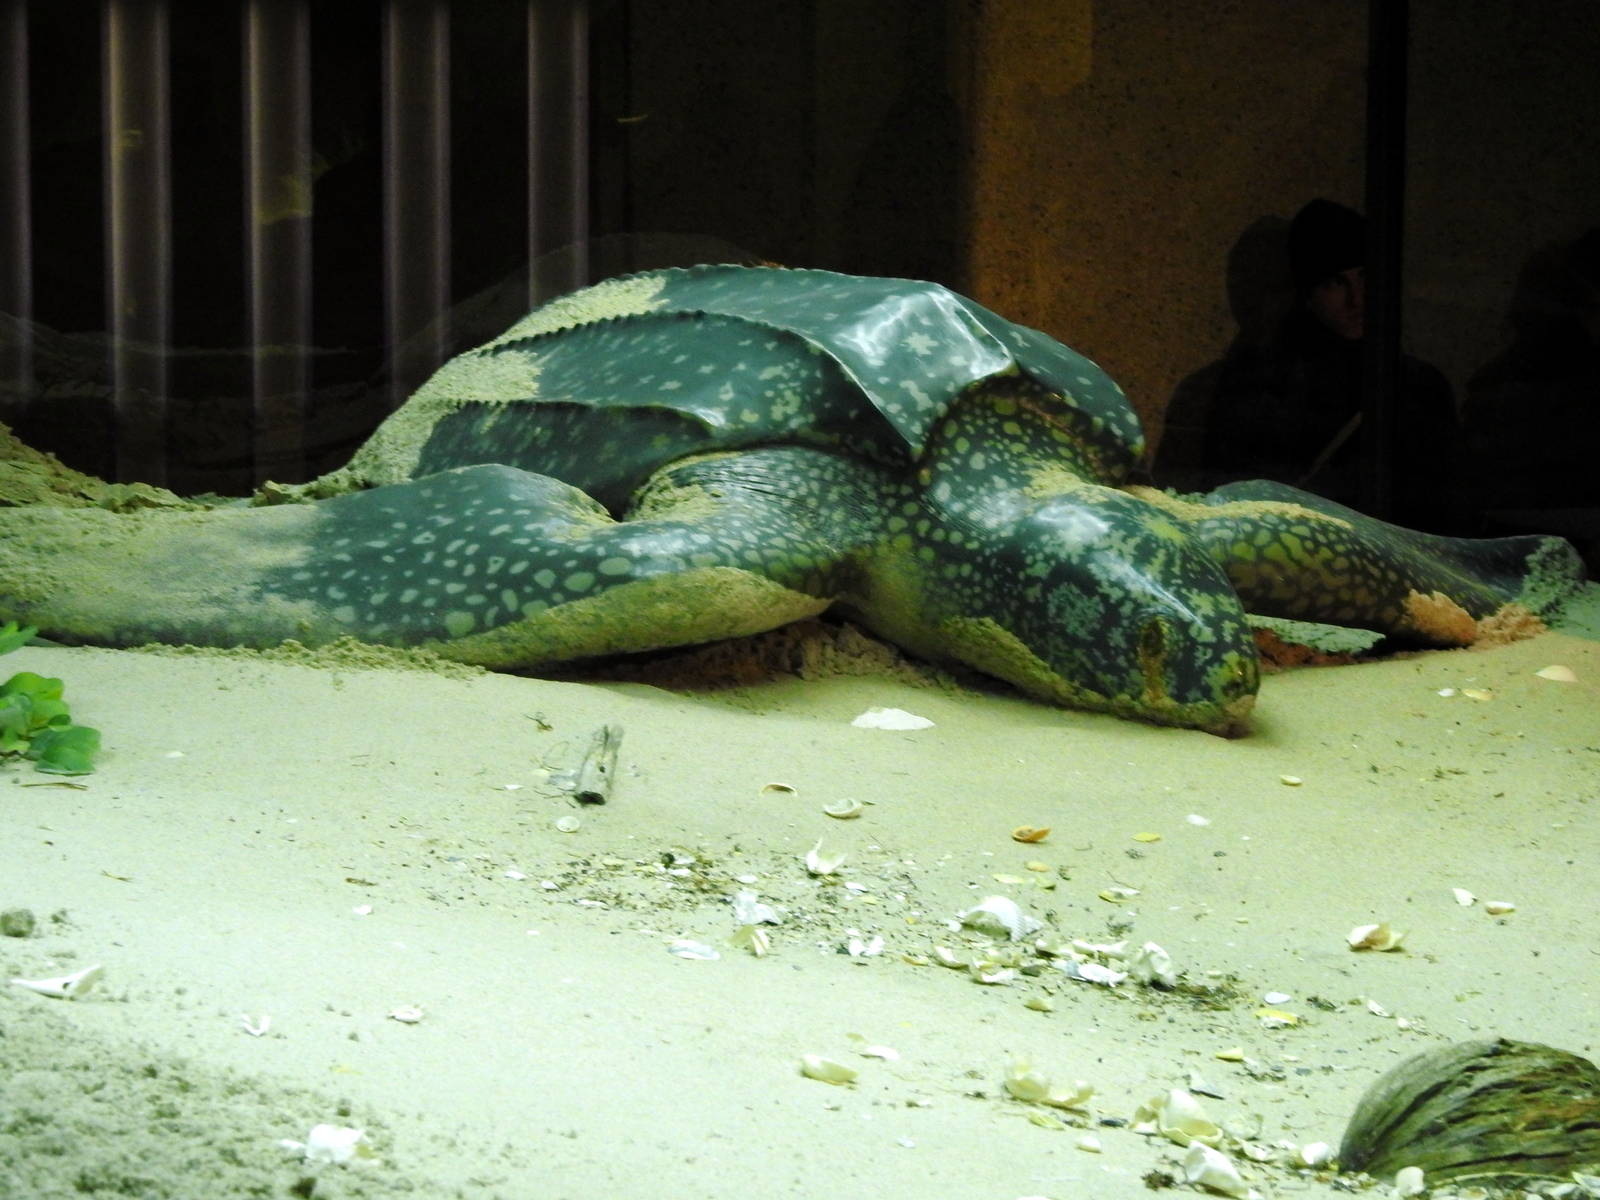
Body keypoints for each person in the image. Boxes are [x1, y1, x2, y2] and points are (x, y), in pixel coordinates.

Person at [1197, 199, 1464, 532]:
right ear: (1307, 294)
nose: (1357, 299)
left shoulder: (1418, 384)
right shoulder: (1259, 384)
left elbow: (1445, 508)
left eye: (1365, 276)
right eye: (1335, 283)